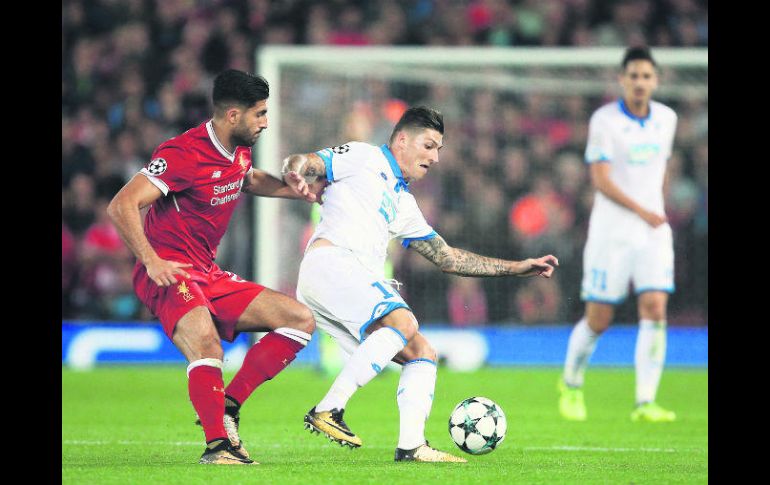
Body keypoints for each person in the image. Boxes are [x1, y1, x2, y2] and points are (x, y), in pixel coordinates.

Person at [281, 106, 558, 462]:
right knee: (404, 320)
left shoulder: (403, 203)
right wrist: (294, 170)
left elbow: (448, 258)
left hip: (345, 280)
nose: (435, 158)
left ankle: (412, 445)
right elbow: (307, 161)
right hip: (331, 263)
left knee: (421, 352)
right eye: (429, 146)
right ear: (401, 140)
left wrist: (517, 268)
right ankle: (329, 408)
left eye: (439, 150)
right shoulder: (364, 157)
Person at [107, 69, 321, 465]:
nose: (266, 122)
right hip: (171, 270)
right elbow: (122, 204)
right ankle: (218, 446)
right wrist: (151, 260)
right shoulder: (182, 154)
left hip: (208, 272)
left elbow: (247, 178)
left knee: (299, 320)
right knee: (206, 343)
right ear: (233, 116)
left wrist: (296, 191)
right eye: (259, 114)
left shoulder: (239, 149)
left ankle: (229, 407)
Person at [558, 47, 678, 423]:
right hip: (612, 233)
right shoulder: (605, 121)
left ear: (655, 80)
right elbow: (601, 180)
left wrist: (655, 205)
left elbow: (660, 168)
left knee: (656, 308)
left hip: (653, 232)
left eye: (646, 76)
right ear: (622, 80)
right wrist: (642, 208)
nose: (640, 83)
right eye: (634, 76)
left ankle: (645, 402)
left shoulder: (667, 119)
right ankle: (571, 383)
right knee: (599, 318)